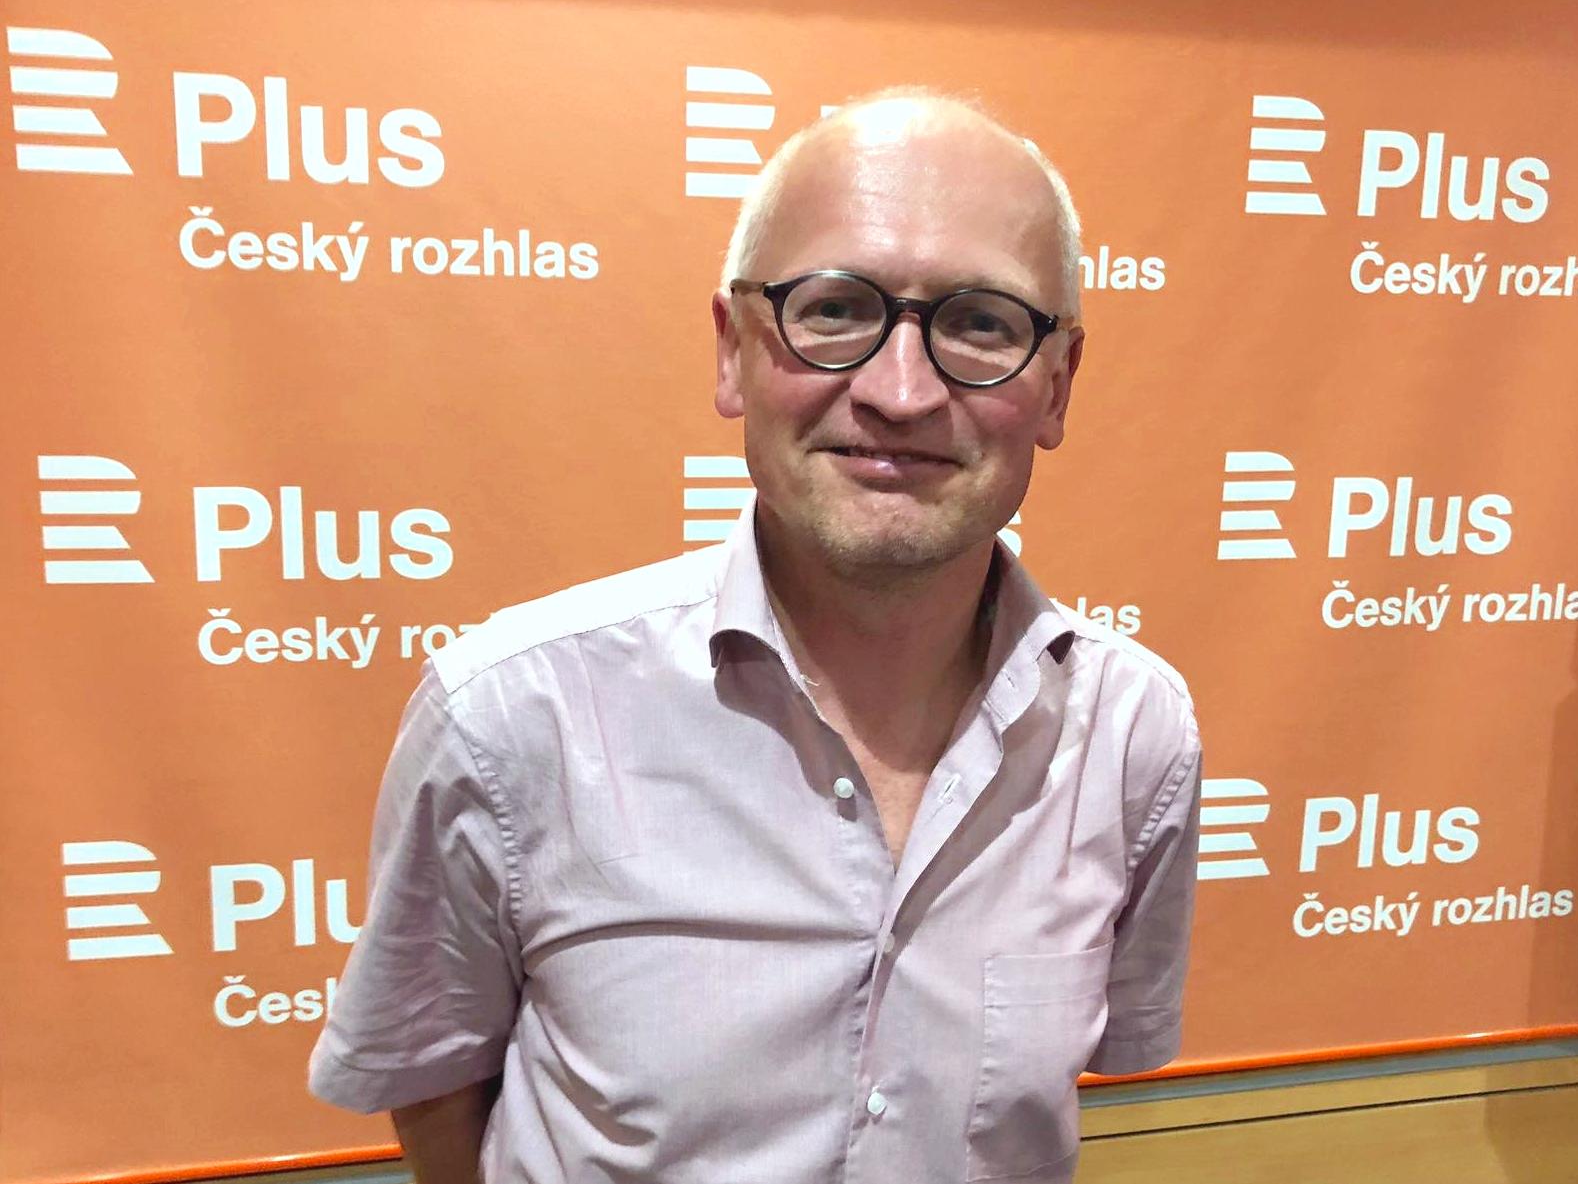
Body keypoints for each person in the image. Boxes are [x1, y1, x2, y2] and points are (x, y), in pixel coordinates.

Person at [307, 87, 1202, 1184]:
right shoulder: (510, 714)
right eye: (835, 309)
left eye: (981, 323)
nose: (901, 392)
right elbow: (435, 1087)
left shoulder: (1134, 733)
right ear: (733, 350)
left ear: (1057, 383)